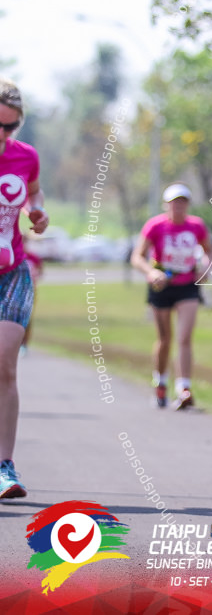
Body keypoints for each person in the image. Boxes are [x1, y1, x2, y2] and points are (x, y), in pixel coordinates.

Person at [0, 78, 49, 499]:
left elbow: (34, 195)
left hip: (12, 271)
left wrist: (38, 213)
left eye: (10, 127)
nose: (3, 135)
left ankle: (5, 468)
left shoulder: (25, 156)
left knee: (5, 365)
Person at [130, 184, 212, 410]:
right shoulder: (155, 226)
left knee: (185, 337)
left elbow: (209, 251)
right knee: (165, 339)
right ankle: (160, 383)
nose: (178, 206)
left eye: (183, 202)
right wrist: (151, 272)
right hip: (161, 286)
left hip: (187, 285)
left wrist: (206, 268)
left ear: (188, 204)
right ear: (166, 205)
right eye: (174, 202)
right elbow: (137, 257)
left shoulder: (196, 226)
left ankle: (184, 388)